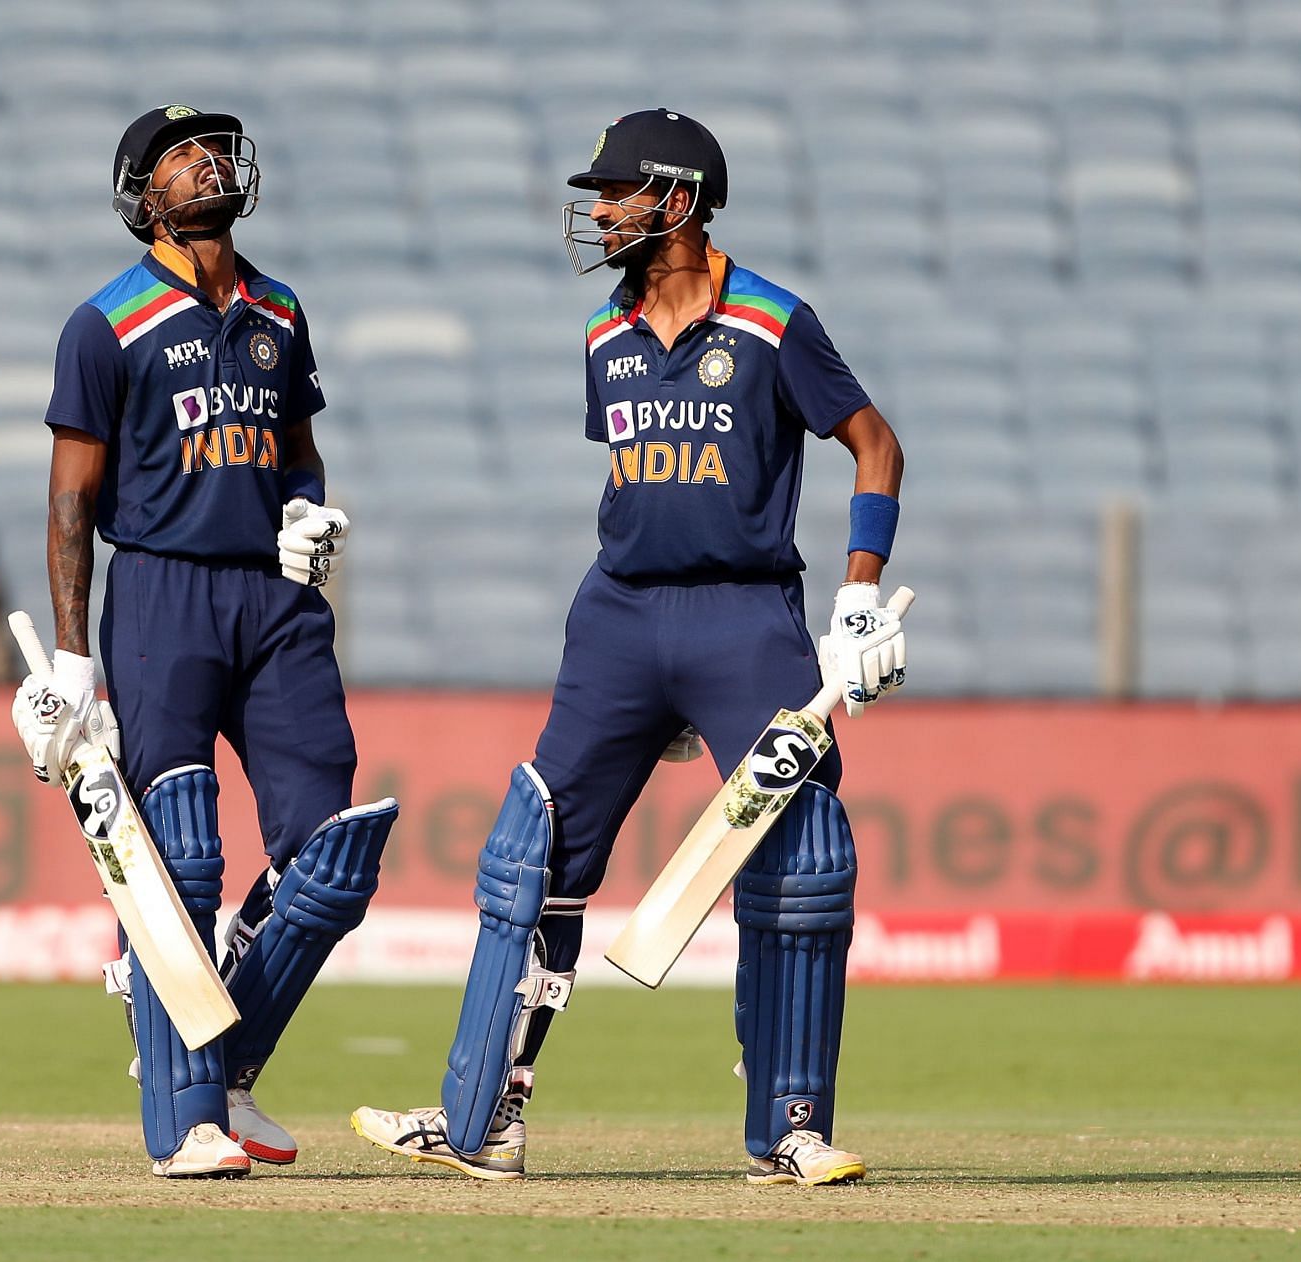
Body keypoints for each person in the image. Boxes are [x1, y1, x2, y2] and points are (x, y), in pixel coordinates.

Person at [351, 109, 907, 1185]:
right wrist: (652, 690)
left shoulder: (774, 322)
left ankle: (789, 1127)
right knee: (537, 852)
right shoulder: (606, 336)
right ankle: (486, 1111)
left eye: (616, 193)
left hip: (744, 617)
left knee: (803, 855)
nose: (598, 211)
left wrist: (859, 597)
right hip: (618, 619)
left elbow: (875, 444)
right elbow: (632, 478)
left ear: (679, 202)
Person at [11, 105, 396, 1179]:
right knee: (177, 858)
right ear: (145, 194)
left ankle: (222, 1053)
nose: (211, 163)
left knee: (333, 855)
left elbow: (300, 454)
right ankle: (186, 1125)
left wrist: (308, 512)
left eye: (218, 149)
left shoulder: (279, 307)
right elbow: (69, 504)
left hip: (275, 605)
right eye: (185, 156)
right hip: (163, 597)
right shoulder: (106, 323)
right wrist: (74, 655)